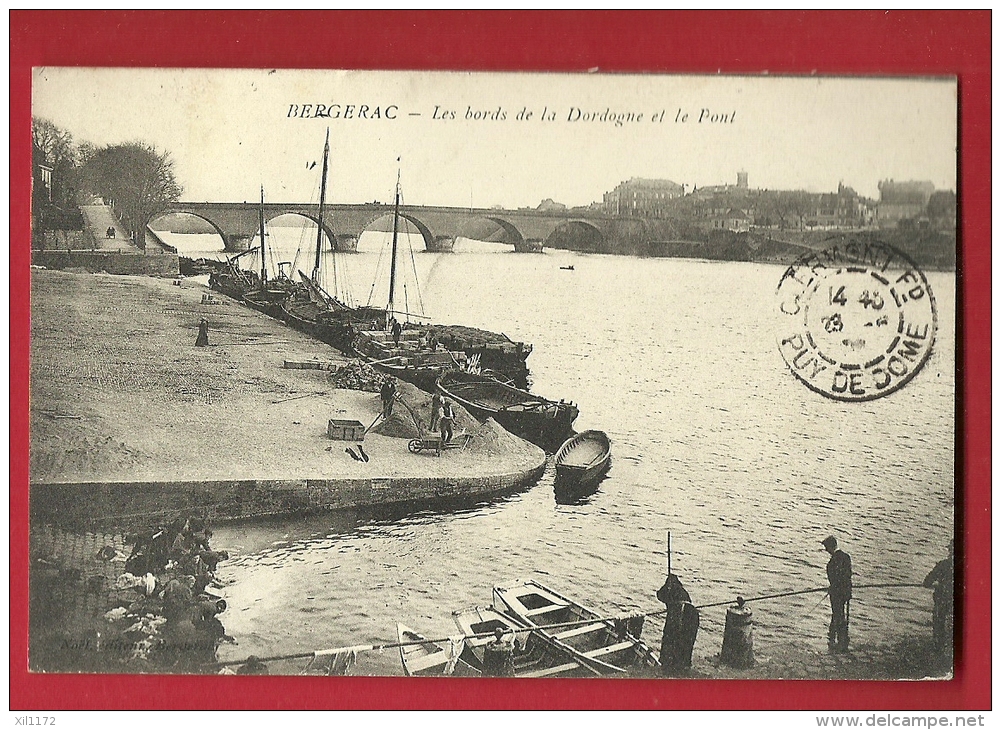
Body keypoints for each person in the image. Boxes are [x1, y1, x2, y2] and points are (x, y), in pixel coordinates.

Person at [656, 573, 700, 675]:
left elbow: (660, 595)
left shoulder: (669, 589)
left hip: (680, 614)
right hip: (692, 614)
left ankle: (668, 667)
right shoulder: (683, 591)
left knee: (670, 640)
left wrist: (667, 587)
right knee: (686, 644)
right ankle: (683, 667)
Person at [822, 535, 853, 653]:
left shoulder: (831, 563)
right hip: (846, 592)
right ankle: (840, 639)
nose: (825, 550)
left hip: (836, 594)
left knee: (837, 614)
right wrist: (848, 591)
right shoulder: (846, 557)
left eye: (826, 547)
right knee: (840, 614)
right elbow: (848, 576)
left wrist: (832, 589)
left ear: (830, 547)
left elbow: (833, 580)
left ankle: (835, 640)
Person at [923, 539, 954, 652]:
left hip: (942, 600)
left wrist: (937, 583)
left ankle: (938, 649)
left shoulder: (943, 565)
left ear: (950, 551)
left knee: (938, 623)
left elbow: (926, 582)